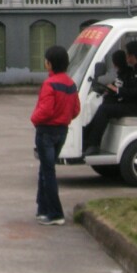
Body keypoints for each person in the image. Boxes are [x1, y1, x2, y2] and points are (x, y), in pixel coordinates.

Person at [30, 45, 80, 226]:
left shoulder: (49, 84)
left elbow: (45, 109)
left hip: (46, 131)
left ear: (49, 64)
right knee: (45, 169)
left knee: (48, 171)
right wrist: (64, 118)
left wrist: (34, 119)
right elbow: (75, 109)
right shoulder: (70, 84)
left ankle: (55, 213)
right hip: (62, 130)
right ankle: (42, 209)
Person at [82, 40, 137, 156]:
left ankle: (93, 143)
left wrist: (118, 90)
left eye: (127, 54)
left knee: (105, 110)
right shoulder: (136, 69)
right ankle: (86, 137)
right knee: (105, 104)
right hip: (133, 103)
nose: (126, 57)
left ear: (133, 55)